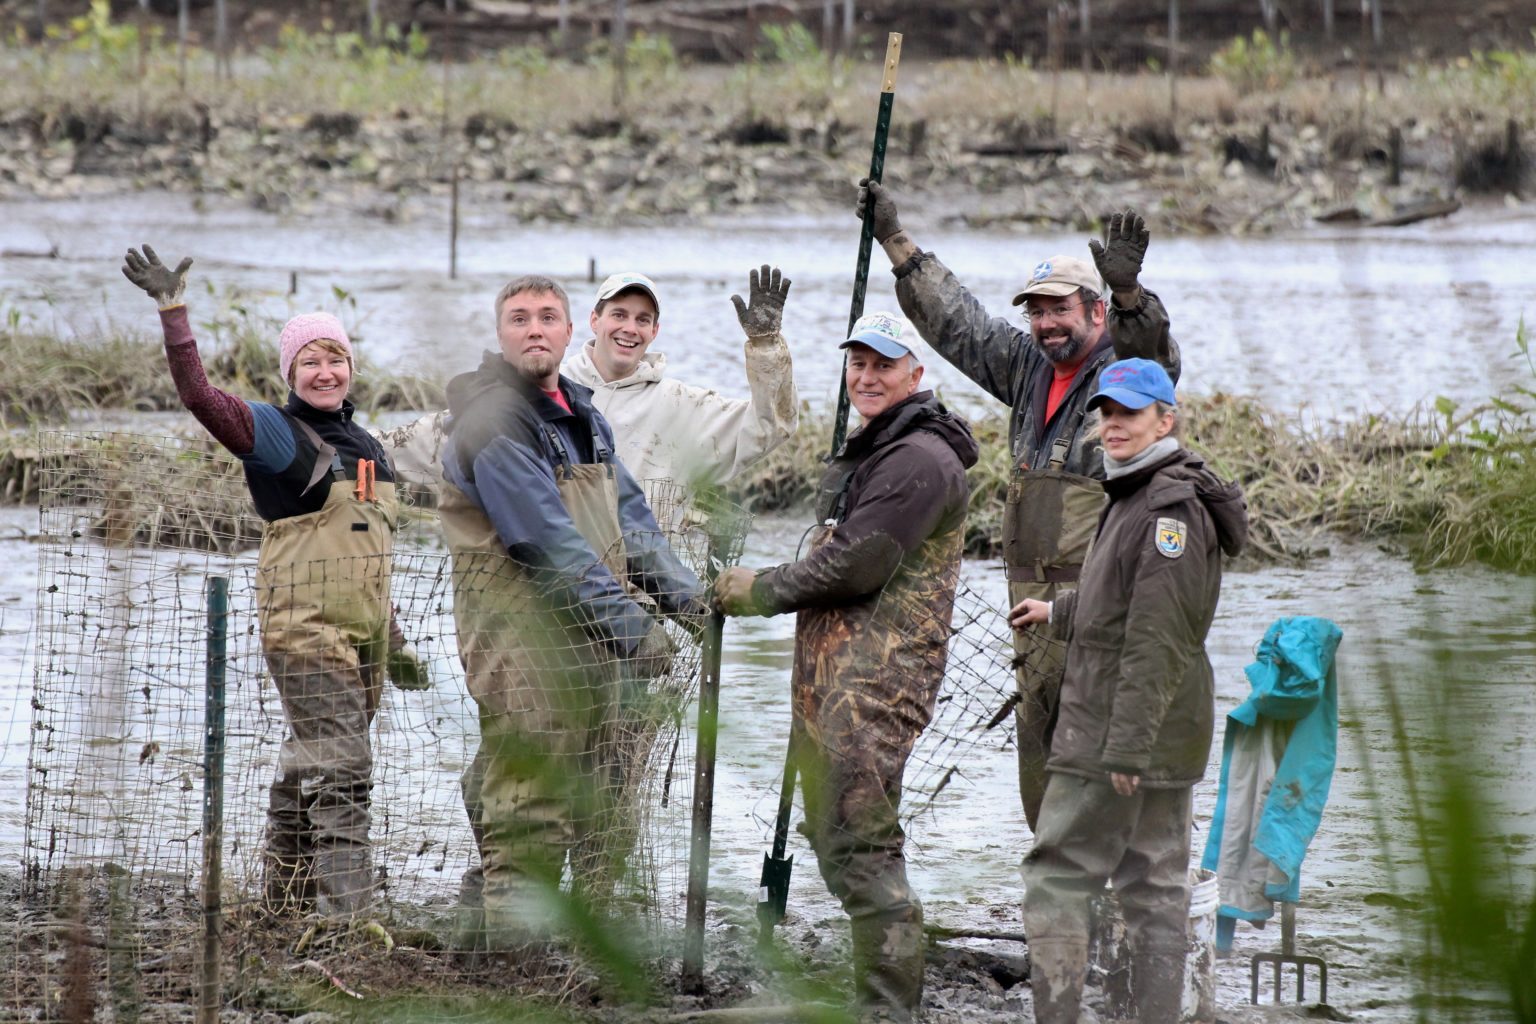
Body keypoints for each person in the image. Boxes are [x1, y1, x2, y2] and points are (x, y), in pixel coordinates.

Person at [856, 179, 1181, 832]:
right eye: (1035, 311)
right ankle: (1060, 896)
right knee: (1043, 765)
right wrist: (895, 239)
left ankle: (1130, 892)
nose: (1045, 323)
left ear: (1094, 312)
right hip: (1033, 615)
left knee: (1110, 758)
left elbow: (1157, 359)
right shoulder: (1030, 367)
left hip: (1103, 609)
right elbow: (960, 325)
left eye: (1058, 309)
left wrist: (1130, 296)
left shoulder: (1124, 372)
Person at [120, 245, 429, 921]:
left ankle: (283, 904)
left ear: (351, 368)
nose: (324, 371)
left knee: (308, 767)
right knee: (345, 770)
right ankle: (351, 918)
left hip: (364, 644)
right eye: (309, 361)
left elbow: (364, 551)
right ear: (291, 371)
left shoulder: (370, 450)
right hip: (307, 636)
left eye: (335, 358)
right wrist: (175, 313)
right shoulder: (277, 435)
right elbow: (200, 398)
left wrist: (396, 638)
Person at [716, 312, 978, 1022]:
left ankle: (889, 1009)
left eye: (883, 365)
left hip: (875, 681)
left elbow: (860, 564)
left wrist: (763, 587)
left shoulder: (920, 460)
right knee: (836, 834)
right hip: (840, 680)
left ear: (915, 376)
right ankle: (882, 997)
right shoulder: (883, 447)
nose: (867, 376)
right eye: (857, 363)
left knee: (860, 844)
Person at [437, 273, 706, 947]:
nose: (535, 328)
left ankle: (487, 938)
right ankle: (513, 973)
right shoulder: (493, 420)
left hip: (582, 639)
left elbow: (633, 524)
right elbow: (547, 543)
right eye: (520, 318)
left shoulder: (583, 416)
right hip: (521, 639)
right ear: (501, 334)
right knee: (530, 808)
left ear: (569, 330)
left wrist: (691, 603)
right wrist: (637, 628)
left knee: (585, 799)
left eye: (547, 317)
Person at [1009, 358, 1247, 1024]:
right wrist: (1057, 612)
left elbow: (1157, 637)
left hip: (1119, 734)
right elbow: (1123, 602)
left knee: (1056, 879)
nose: (1113, 426)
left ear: (1164, 420)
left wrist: (1127, 749)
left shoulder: (1166, 509)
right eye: (1107, 413)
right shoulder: (1137, 490)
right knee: (1154, 891)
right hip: (1158, 733)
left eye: (1130, 414)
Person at [563, 267, 799, 503]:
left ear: (654, 331)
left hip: (647, 539)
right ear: (594, 320)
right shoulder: (555, 388)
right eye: (619, 315)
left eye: (642, 320)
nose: (630, 329)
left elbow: (771, 425)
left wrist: (766, 345)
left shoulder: (679, 404)